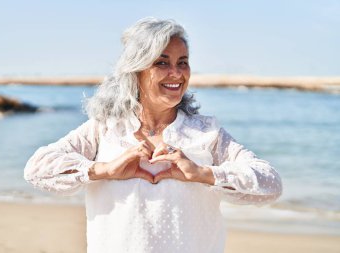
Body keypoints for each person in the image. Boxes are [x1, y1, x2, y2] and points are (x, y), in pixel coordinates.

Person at [24, 17, 282, 253]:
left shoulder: (206, 132)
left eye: (183, 62)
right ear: (136, 71)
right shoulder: (106, 128)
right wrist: (105, 170)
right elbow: (37, 170)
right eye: (162, 62)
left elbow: (270, 184)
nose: (177, 73)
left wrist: (203, 174)